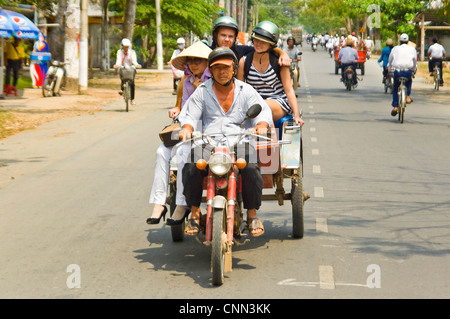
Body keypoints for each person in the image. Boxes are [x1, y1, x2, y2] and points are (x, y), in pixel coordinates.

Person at [178, 47, 273, 237]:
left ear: (234, 68)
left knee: (251, 167)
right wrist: (187, 129)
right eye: (217, 68)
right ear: (211, 71)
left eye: (226, 67)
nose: (222, 72)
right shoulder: (202, 92)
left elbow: (262, 111)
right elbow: (189, 115)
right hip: (208, 141)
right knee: (191, 166)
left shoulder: (245, 90)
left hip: (239, 139)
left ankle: (252, 214)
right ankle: (195, 213)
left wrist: (262, 124)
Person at [146, 41, 212, 225]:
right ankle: (159, 203)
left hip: (207, 132)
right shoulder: (186, 80)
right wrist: (178, 113)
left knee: (184, 153)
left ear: (207, 62)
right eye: (190, 60)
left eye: (198, 60)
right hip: (186, 128)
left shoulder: (215, 81)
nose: (194, 64)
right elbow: (183, 107)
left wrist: (201, 90)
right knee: (161, 152)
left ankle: (182, 204)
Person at [236, 21, 303, 126]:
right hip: (252, 104)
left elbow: (289, 90)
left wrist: (296, 115)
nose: (258, 44)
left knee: (263, 108)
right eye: (256, 40)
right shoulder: (244, 61)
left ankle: (273, 142)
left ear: (271, 44)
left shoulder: (279, 62)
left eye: (263, 41)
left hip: (278, 102)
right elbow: (239, 91)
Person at [388, 33, 417, 116]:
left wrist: (390, 69)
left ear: (400, 41)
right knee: (409, 81)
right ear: (408, 41)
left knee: (396, 88)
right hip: (408, 72)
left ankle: (395, 107)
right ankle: (407, 96)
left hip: (398, 72)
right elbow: (415, 62)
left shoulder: (395, 49)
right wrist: (414, 70)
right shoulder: (412, 49)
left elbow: (390, 61)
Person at [113, 38, 141, 106]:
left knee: (132, 83)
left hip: (131, 68)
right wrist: (117, 65)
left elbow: (134, 61)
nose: (126, 48)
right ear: (122, 46)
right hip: (123, 68)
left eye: (127, 47)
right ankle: (122, 90)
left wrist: (137, 65)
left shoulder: (132, 52)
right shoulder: (119, 52)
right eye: (125, 47)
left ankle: (132, 99)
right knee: (123, 79)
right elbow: (119, 60)